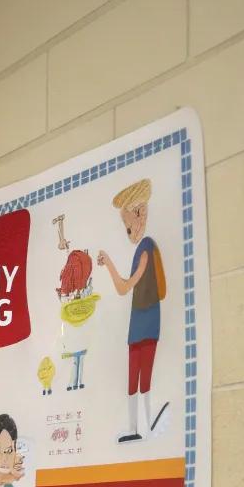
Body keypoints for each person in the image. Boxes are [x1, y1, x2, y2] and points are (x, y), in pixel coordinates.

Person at [97, 177, 169, 444]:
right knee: (134, 376)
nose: (129, 232)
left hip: (146, 319)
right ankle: (135, 426)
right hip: (140, 321)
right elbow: (123, 288)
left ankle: (146, 423)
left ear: (140, 214)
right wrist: (109, 265)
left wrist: (109, 264)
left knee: (143, 374)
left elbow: (125, 287)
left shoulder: (146, 248)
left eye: (128, 227)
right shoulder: (142, 249)